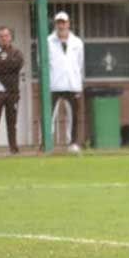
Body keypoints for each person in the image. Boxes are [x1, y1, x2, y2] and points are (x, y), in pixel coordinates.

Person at [47, 12, 85, 153]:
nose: (61, 25)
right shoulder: (48, 41)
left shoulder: (77, 42)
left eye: (64, 22)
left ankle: (73, 143)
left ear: (69, 23)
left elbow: (80, 64)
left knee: (73, 115)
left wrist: (78, 84)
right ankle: (46, 142)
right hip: (53, 84)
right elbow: (42, 62)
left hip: (72, 84)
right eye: (59, 22)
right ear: (55, 24)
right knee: (48, 115)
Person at [0, 27, 24, 155]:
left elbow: (17, 65)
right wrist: (8, 67)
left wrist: (2, 65)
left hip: (13, 92)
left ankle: (14, 150)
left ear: (10, 37)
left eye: (6, 35)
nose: (4, 38)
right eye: (1, 36)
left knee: (12, 123)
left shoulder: (17, 52)